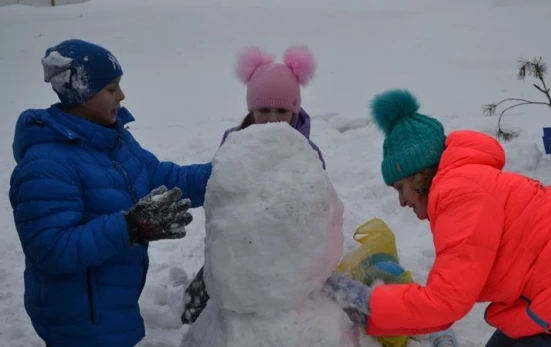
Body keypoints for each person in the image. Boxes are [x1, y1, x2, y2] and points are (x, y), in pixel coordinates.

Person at [322, 89, 551, 347]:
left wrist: (366, 303)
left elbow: (444, 303)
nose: (401, 202)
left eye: (401, 188)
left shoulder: (461, 194)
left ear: (421, 173)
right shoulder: (467, 184)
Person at [9, 39, 212, 347]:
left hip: (111, 308)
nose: (122, 95)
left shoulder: (115, 143)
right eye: (111, 88)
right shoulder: (45, 165)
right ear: (81, 94)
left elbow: (167, 178)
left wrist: (225, 170)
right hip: (78, 321)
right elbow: (51, 249)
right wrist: (130, 227)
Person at [181, 45, 323, 324]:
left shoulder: (306, 151)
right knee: (195, 303)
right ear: (251, 109)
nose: (272, 119)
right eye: (263, 110)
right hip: (239, 243)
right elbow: (221, 193)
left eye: (281, 110)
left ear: (294, 109)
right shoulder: (234, 144)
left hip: (286, 246)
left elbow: (317, 201)